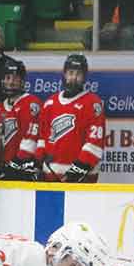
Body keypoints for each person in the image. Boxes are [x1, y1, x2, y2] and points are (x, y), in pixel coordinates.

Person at [36, 54, 106, 183]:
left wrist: (79, 168)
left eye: (78, 74)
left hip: (82, 177)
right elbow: (42, 138)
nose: (74, 77)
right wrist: (38, 164)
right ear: (64, 74)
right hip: (50, 175)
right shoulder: (50, 103)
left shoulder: (93, 103)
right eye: (71, 73)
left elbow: (95, 142)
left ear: (84, 77)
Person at [0, 60, 40, 180]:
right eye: (7, 78)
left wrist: (17, 162)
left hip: (25, 168)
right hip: (6, 168)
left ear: (22, 81)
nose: (11, 82)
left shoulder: (31, 103)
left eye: (15, 78)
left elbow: (32, 138)